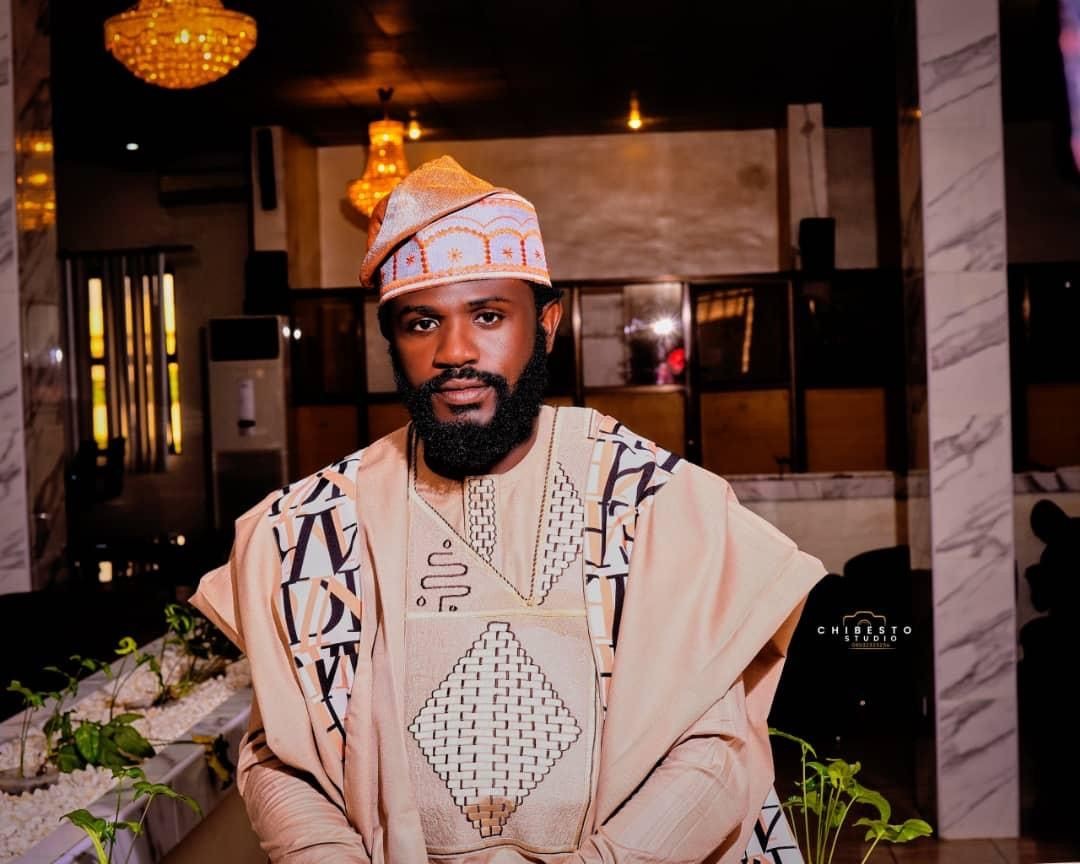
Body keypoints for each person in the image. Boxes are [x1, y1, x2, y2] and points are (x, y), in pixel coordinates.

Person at [192, 156, 825, 863]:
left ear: (547, 325)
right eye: (421, 322)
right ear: (391, 342)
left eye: (488, 315)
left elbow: (718, 745)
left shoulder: (657, 504)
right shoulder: (309, 530)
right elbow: (279, 758)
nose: (454, 351)